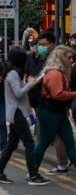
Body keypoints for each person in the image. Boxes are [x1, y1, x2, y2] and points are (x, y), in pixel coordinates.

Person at [0, 47, 49, 186]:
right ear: (20, 60)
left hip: (17, 113)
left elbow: (20, 92)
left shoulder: (14, 73)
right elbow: (18, 93)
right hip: (16, 114)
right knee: (29, 143)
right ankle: (33, 175)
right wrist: (31, 84)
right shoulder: (12, 74)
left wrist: (29, 82)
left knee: (11, 145)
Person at [31, 45, 76, 176]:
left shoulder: (60, 72)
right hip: (49, 113)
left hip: (58, 112)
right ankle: (32, 172)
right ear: (61, 58)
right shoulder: (55, 73)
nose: (71, 60)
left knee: (70, 143)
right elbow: (57, 94)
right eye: (69, 57)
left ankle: (32, 171)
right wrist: (74, 94)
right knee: (43, 143)